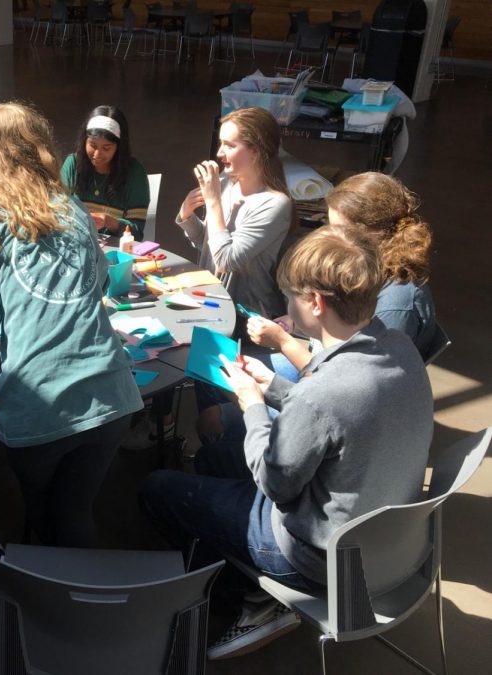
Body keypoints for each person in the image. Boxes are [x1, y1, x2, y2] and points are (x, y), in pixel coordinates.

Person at [139, 225, 434, 660]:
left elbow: (275, 484)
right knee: (212, 460)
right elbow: (340, 417)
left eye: (291, 298)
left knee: (158, 488)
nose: (287, 307)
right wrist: (275, 387)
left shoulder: (323, 391)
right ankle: (239, 579)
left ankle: (254, 600)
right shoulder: (401, 348)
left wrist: (252, 403)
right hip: (392, 546)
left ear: (315, 302)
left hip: (316, 559)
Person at [0, 102, 143, 548]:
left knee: (40, 512)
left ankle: (44, 596)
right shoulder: (72, 208)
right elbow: (98, 281)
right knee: (76, 512)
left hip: (37, 407)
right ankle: (80, 601)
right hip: (111, 395)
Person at [247, 172, 437, 367]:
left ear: (368, 232)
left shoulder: (394, 306)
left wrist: (284, 343)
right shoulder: (363, 269)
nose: (329, 236)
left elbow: (354, 384)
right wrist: (297, 320)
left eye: (338, 229)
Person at [176, 106, 293, 318]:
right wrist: (187, 215)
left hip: (247, 318)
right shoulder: (225, 182)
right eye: (221, 143)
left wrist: (213, 201)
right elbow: (208, 243)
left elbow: (224, 261)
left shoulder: (275, 204)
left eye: (229, 146)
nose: (220, 153)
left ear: (256, 151)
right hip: (210, 302)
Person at [60, 105, 150, 241]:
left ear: (119, 147)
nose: (97, 154)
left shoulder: (134, 173)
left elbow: (136, 234)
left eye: (106, 148)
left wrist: (110, 222)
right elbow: (57, 213)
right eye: (92, 145)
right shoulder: (73, 164)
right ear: (84, 140)